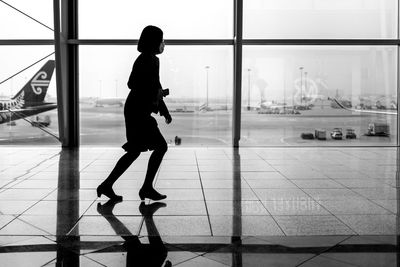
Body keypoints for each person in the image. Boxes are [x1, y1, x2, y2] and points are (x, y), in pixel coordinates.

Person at [97, 25, 172, 202]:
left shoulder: (149, 59)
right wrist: (156, 98)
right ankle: (146, 187)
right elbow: (133, 83)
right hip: (138, 112)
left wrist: (162, 106)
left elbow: (155, 86)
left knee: (135, 151)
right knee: (160, 147)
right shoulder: (148, 60)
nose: (163, 44)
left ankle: (107, 185)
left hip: (136, 110)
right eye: (161, 40)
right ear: (154, 42)